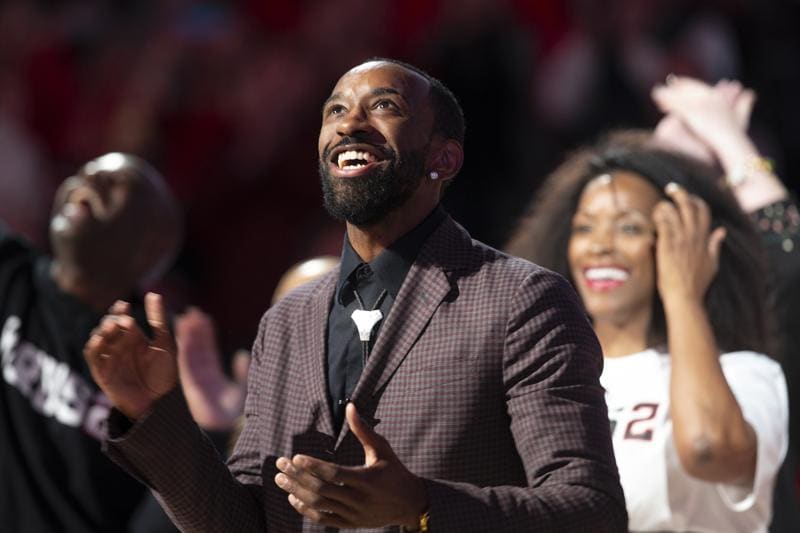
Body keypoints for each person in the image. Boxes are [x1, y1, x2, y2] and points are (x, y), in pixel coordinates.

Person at [83, 59, 627, 532]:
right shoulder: (287, 320)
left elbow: (590, 511)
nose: (350, 125)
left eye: (382, 105)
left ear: (444, 159)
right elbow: (244, 523)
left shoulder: (523, 302)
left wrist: (421, 505)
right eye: (336, 111)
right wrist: (156, 413)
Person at [506, 139, 788, 531]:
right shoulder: (540, 376)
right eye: (585, 227)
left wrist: (684, 295)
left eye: (629, 227)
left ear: (682, 244)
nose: (601, 246)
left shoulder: (746, 375)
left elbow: (707, 449)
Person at [0, 152, 182, 532]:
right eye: (82, 173)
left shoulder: (155, 364)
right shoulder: (8, 268)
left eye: (118, 186)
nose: (89, 182)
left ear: (151, 248)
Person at [649, 75, 800, 532]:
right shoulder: (581, 316)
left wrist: (724, 137)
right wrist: (721, 135)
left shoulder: (755, 362)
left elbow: (787, 253)